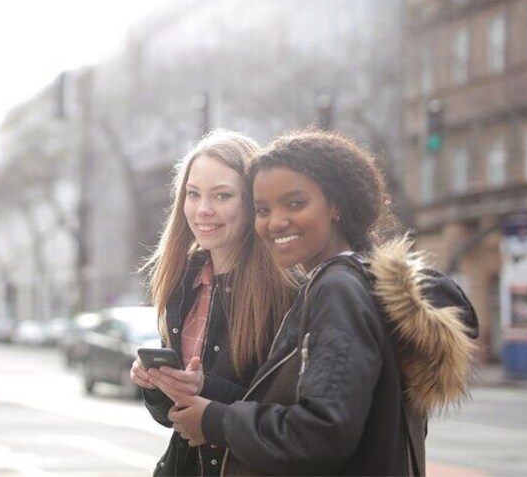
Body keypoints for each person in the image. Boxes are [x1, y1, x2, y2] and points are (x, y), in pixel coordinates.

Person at [169, 128, 479, 476]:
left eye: (295, 203)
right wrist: (206, 395)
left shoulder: (338, 289)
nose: (276, 222)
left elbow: (323, 430)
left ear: (336, 205)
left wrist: (216, 421)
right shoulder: (358, 281)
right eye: (263, 209)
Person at [130, 129, 295, 476]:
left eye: (222, 196)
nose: (203, 210)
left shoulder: (288, 289)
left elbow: (291, 419)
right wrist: (157, 383)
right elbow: (172, 419)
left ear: (253, 203)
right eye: (193, 194)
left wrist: (205, 389)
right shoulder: (181, 279)